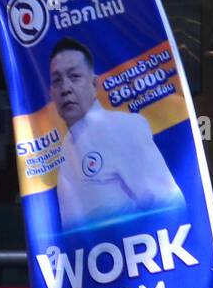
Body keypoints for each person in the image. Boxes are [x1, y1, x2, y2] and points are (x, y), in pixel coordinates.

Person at [49, 37, 183, 231]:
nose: (66, 88)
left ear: (94, 84)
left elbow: (169, 205)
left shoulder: (121, 127)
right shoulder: (66, 146)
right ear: (51, 92)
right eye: (57, 80)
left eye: (75, 76)